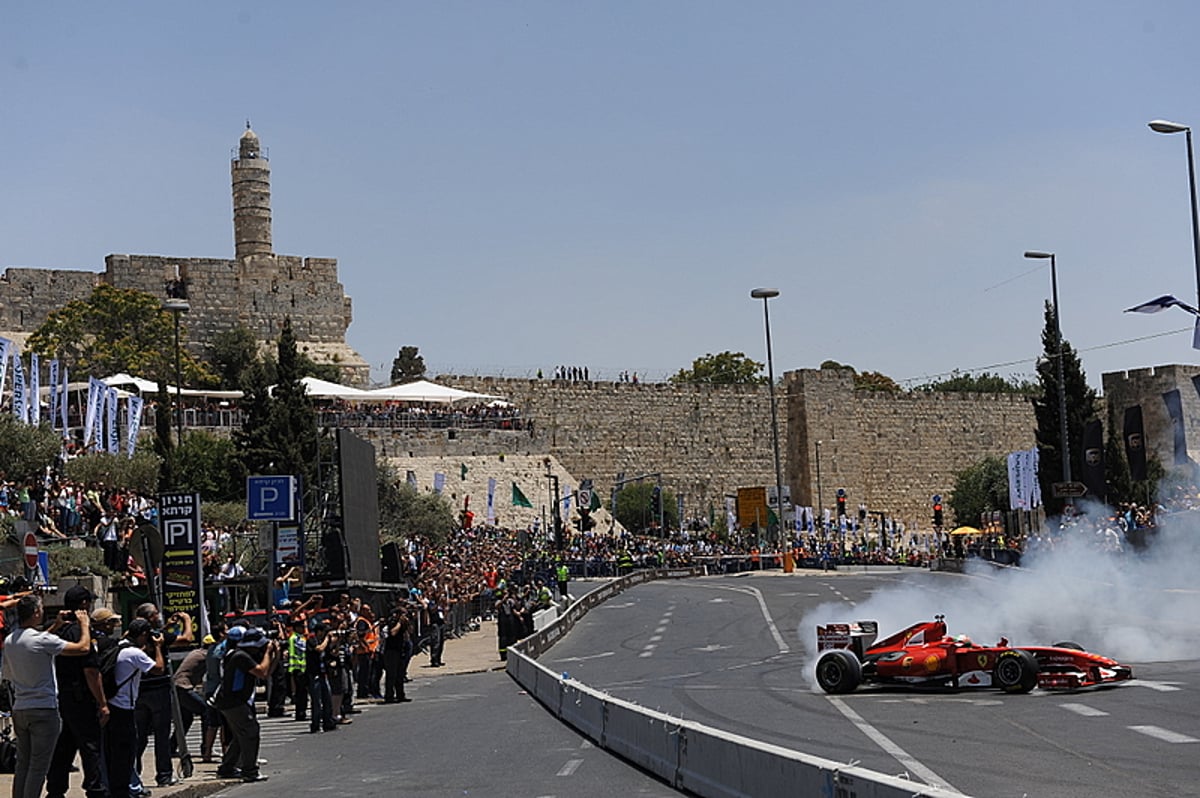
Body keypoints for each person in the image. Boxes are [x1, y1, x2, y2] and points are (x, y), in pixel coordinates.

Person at [1, 594, 93, 798]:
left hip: (20, 708)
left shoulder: (11, 640)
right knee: (38, 766)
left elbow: (35, 647)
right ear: (35, 613)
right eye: (41, 609)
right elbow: (83, 648)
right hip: (44, 709)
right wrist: (84, 624)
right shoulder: (42, 639)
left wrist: (57, 626)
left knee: (23, 764)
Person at [46, 586, 109, 798]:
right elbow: (91, 671)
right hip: (81, 698)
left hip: (62, 697)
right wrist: (102, 703)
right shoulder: (81, 632)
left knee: (64, 747)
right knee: (91, 748)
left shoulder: (58, 630)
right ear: (83, 605)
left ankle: (55, 790)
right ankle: (95, 790)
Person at [131, 603, 193, 790]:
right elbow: (187, 639)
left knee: (139, 736)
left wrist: (166, 628)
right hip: (158, 690)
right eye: (156, 615)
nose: (159, 617)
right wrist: (187, 621)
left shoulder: (133, 635)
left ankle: (133, 774)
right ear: (150, 617)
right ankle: (164, 775)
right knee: (161, 734)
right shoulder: (158, 638)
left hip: (139, 690)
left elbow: (157, 635)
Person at [106, 619, 164, 798]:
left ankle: (117, 787)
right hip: (124, 707)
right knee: (127, 751)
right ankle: (126, 789)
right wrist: (159, 647)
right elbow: (158, 669)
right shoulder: (134, 653)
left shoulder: (118, 647)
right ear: (144, 635)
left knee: (112, 751)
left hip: (110, 703)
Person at [214, 627, 274, 782]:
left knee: (241, 735)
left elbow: (266, 674)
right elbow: (261, 671)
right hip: (234, 702)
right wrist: (268, 653)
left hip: (232, 701)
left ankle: (227, 767)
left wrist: (276, 655)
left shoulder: (238, 654)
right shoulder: (241, 656)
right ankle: (249, 770)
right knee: (251, 732)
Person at [381, 607, 412, 704]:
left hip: (400, 650)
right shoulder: (392, 621)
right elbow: (393, 633)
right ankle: (389, 696)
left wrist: (407, 623)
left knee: (400, 674)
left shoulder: (403, 623)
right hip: (391, 651)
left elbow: (409, 632)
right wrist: (399, 623)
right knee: (391, 674)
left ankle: (400, 695)